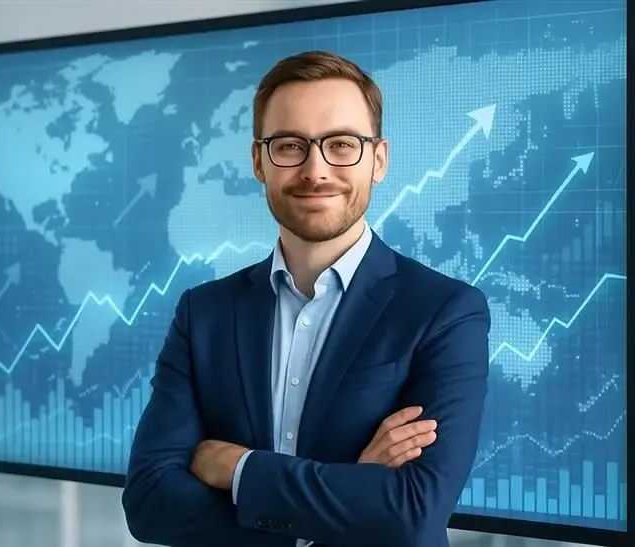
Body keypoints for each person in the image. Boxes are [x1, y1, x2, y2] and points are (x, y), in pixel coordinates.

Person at [121, 50, 491, 547]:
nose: (316, 170)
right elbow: (149, 506)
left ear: (378, 160)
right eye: (290, 145)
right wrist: (346, 494)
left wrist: (238, 469)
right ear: (259, 161)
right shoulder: (204, 313)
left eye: (341, 145)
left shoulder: (445, 312)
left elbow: (411, 511)